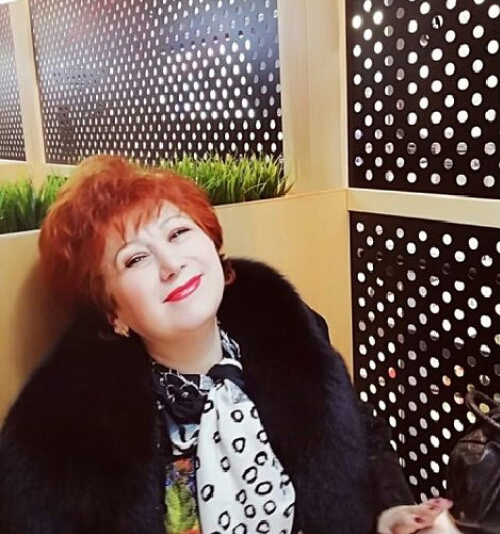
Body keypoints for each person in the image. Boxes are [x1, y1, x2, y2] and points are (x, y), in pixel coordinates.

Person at [0, 155, 452, 534]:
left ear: (213, 247)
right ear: (113, 314)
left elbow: (361, 445)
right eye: (135, 258)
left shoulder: (290, 336)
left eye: (178, 233)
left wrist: (388, 516)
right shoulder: (73, 434)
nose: (171, 263)